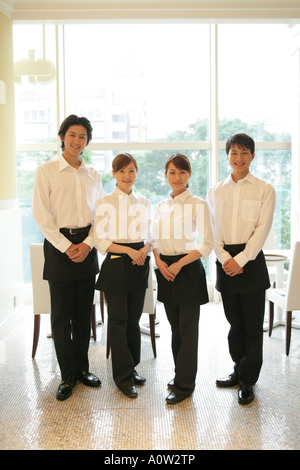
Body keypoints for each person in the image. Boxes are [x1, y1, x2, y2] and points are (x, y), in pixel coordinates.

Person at [32, 114, 103, 401]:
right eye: (72, 135)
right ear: (62, 136)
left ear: (87, 141)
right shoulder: (46, 171)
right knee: (61, 316)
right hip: (58, 244)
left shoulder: (93, 174)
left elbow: (101, 215)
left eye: (83, 137)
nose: (77, 141)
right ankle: (66, 375)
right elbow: (41, 215)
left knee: (82, 313)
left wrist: (86, 244)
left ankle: (82, 369)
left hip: (87, 244)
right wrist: (65, 246)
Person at [206, 133, 276, 405]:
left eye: (244, 153)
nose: (239, 158)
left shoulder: (264, 189)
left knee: (252, 325)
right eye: (234, 153)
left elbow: (262, 229)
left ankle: (248, 380)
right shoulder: (215, 191)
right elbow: (212, 230)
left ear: (253, 156)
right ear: (227, 156)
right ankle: (238, 369)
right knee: (235, 323)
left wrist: (242, 259)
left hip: (251, 261)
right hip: (225, 261)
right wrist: (225, 258)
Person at [152, 153, 213, 405]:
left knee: (188, 330)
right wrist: (158, 261)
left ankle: (185, 385)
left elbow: (207, 244)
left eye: (182, 172)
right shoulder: (161, 205)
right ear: (165, 175)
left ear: (189, 175)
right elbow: (153, 238)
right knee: (175, 328)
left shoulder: (198, 204)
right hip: (165, 269)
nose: (176, 177)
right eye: (172, 172)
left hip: (186, 269)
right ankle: (180, 376)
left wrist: (178, 264)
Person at [93, 153, 152, 399]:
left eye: (131, 171)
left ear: (136, 173)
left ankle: (132, 367)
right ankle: (122, 377)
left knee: (133, 320)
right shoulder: (105, 201)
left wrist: (145, 249)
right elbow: (98, 239)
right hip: (117, 264)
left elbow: (151, 233)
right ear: (114, 174)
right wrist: (129, 249)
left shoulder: (145, 202)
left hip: (140, 263)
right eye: (121, 171)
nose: (127, 176)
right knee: (117, 321)